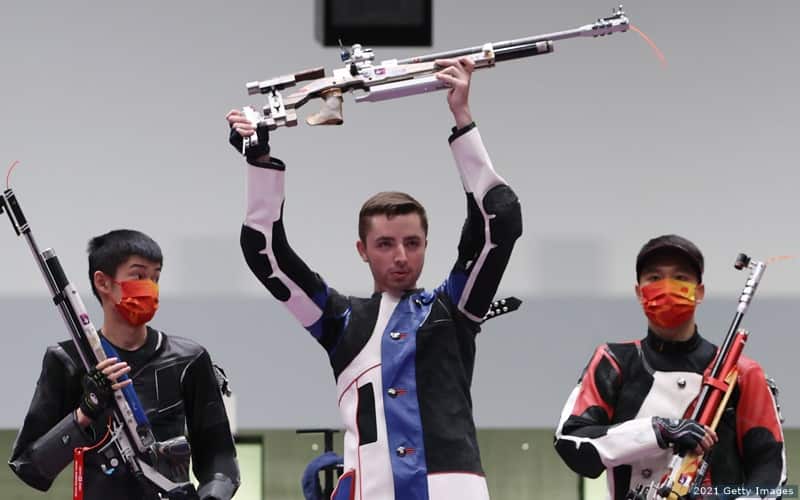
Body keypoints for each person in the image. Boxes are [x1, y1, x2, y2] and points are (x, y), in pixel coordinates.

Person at [227, 57, 522, 499]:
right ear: (361, 250)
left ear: (426, 244)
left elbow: (501, 220)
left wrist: (462, 117)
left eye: (412, 243)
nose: (401, 257)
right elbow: (265, 253)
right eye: (385, 244)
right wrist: (259, 160)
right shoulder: (340, 321)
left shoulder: (457, 309)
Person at [9, 229, 240, 500]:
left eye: (156, 277)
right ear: (103, 282)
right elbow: (29, 467)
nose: (150, 287)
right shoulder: (68, 360)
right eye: (139, 276)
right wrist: (85, 412)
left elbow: (221, 462)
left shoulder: (189, 359)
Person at [554, 234, 787, 499]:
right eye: (654, 278)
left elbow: (771, 478)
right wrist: (658, 430)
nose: (667, 287)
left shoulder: (741, 372)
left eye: (680, 277)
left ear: (699, 292)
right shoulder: (613, 361)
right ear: (639, 292)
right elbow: (571, 443)